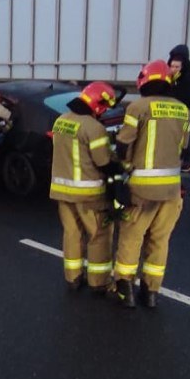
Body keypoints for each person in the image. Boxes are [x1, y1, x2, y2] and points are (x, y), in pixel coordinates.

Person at [112, 60, 190, 309]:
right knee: (160, 241)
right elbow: (184, 147)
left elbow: (124, 144)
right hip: (171, 190)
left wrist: (119, 169)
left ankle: (125, 290)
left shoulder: (138, 107)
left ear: (144, 80)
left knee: (131, 239)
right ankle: (151, 292)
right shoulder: (182, 109)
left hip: (142, 191)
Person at [50, 82, 119, 293]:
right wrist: (118, 166)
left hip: (62, 190)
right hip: (89, 194)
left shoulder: (60, 121)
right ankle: (98, 282)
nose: (104, 111)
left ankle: (73, 278)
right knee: (99, 235)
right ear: (98, 104)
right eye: (104, 107)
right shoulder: (94, 127)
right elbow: (103, 162)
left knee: (72, 233)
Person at [168, 44, 190, 174]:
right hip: (170, 107)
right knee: (170, 134)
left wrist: (189, 103)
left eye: (177, 66)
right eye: (172, 66)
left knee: (187, 135)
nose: (174, 69)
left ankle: (187, 161)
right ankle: (173, 158)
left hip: (185, 107)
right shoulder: (168, 68)